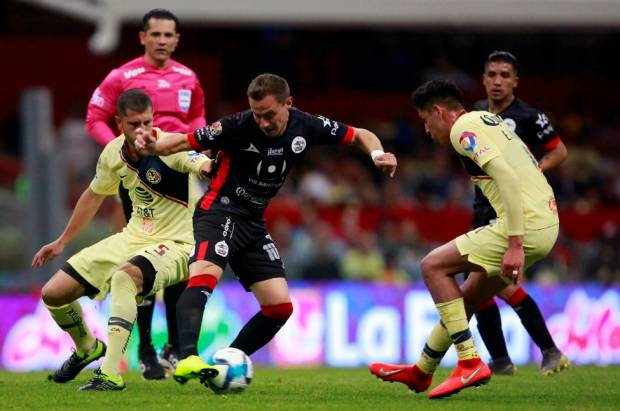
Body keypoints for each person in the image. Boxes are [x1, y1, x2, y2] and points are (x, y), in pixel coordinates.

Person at [135, 73, 398, 385]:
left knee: (279, 307)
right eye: (257, 115)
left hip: (253, 222)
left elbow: (360, 134)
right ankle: (186, 357)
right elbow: (182, 141)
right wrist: (154, 143)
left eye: (270, 115)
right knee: (205, 273)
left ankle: (226, 362)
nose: (262, 123)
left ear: (289, 104)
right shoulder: (235, 126)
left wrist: (377, 153)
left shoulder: (306, 125)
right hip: (219, 210)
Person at [369, 80, 560, 399]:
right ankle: (421, 371)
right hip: (546, 223)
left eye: (425, 122)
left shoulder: (462, 129)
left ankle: (469, 361)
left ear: (438, 112)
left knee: (432, 266)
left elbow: (508, 177)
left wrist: (514, 244)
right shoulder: (489, 120)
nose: (427, 131)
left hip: (524, 224)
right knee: (467, 296)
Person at [32, 90, 216, 391]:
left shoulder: (173, 146)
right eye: (134, 124)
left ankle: (110, 374)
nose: (142, 130)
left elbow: (202, 164)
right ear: (119, 124)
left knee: (125, 278)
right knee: (53, 293)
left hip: (178, 244)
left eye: (147, 122)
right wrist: (62, 241)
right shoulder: (113, 154)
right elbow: (93, 196)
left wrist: (211, 166)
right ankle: (88, 348)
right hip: (132, 237)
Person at [86, 8, 206, 379]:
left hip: (183, 175)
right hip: (142, 179)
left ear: (177, 39)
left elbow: (198, 120)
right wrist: (123, 156)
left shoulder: (189, 77)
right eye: (155, 34)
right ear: (142, 37)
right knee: (145, 261)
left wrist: (200, 151)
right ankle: (146, 349)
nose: (162, 41)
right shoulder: (122, 76)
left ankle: (173, 345)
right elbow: (95, 118)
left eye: (169, 35)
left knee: (183, 258)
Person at [470, 50, 569, 376]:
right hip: (481, 206)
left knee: (495, 283)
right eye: (492, 75)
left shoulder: (528, 117)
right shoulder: (476, 113)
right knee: (478, 282)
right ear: (484, 79)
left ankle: (545, 350)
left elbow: (559, 150)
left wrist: (536, 171)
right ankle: (502, 359)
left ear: (515, 81)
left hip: (510, 210)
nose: (497, 81)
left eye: (504, 75)